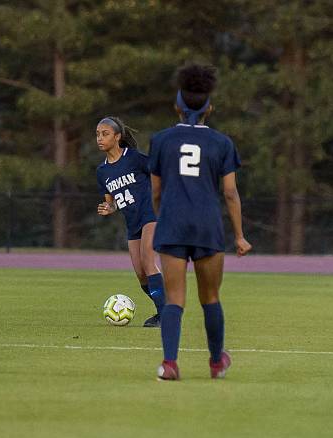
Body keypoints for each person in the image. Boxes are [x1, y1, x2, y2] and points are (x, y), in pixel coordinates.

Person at [148, 64, 252, 380]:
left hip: (174, 225)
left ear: (177, 105)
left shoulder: (161, 140)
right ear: (210, 107)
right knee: (210, 298)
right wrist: (240, 236)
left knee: (174, 299)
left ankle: (169, 364)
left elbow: (155, 190)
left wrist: (160, 217)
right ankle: (216, 362)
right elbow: (231, 193)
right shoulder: (222, 143)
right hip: (207, 226)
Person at [96, 117, 165, 327]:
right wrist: (110, 208)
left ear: (117, 137)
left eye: (105, 134)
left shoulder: (134, 158)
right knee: (141, 274)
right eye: (98, 134)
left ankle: (166, 315)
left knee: (148, 261)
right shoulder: (102, 172)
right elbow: (113, 202)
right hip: (132, 222)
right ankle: (165, 307)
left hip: (150, 215)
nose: (100, 138)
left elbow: (159, 173)